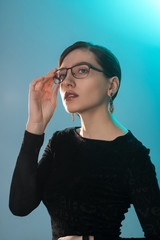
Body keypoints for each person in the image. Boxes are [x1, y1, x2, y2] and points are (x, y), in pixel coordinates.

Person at [9, 41, 160, 240]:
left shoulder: (133, 155)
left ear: (112, 85)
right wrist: (35, 126)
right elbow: (20, 206)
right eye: (62, 75)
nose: (68, 82)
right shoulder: (60, 142)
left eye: (82, 71)